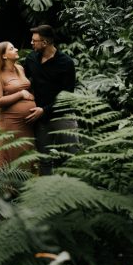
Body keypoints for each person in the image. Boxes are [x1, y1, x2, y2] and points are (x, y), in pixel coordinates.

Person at [23, 25, 76, 175]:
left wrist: (44, 110)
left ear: (45, 43)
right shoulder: (31, 59)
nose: (31, 43)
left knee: (71, 159)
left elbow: (67, 96)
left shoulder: (66, 63)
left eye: (34, 41)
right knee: (44, 161)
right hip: (41, 120)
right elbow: (23, 81)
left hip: (62, 116)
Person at [0, 41, 35, 168]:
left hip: (27, 125)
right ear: (4, 56)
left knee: (26, 160)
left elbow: (26, 87)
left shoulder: (20, 68)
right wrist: (20, 94)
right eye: (11, 48)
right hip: (11, 124)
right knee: (10, 160)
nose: (16, 50)